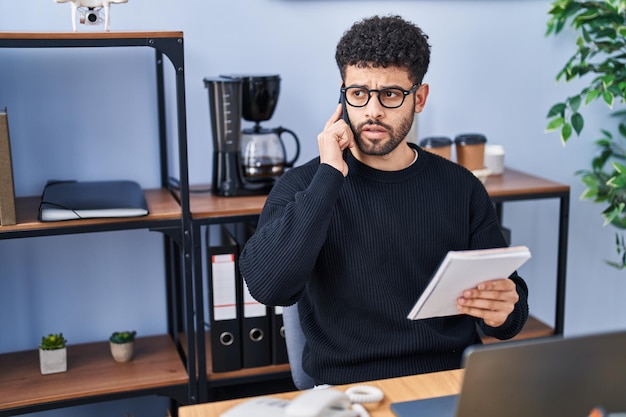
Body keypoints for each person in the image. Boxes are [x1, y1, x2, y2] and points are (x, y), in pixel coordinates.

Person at [239, 15, 529, 386]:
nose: (372, 111)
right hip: (349, 392)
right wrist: (330, 174)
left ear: (419, 98)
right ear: (343, 94)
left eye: (390, 94)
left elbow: (509, 316)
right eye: (358, 94)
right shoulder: (304, 185)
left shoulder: (461, 186)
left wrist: (503, 310)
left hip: (446, 383)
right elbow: (269, 288)